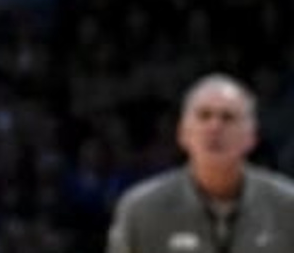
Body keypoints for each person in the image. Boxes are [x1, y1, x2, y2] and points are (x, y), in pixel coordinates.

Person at [109, 76, 291, 253]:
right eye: (204, 116)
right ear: (182, 133)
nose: (215, 127)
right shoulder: (141, 210)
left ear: (252, 137)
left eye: (228, 117)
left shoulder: (288, 206)